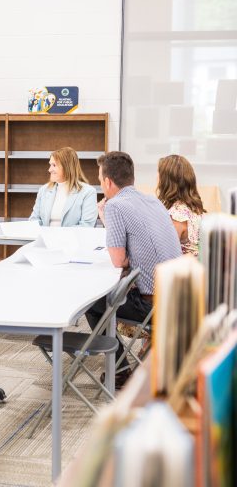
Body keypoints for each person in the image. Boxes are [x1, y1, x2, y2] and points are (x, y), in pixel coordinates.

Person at [88, 152, 181, 388]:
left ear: (108, 182)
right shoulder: (153, 201)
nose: (101, 185)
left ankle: (119, 371)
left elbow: (118, 260)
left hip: (153, 305)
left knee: (91, 302)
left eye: (100, 180)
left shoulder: (115, 206)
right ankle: (122, 368)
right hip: (178, 297)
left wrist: (127, 257)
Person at [29, 147, 97, 227]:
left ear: (67, 167)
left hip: (72, 239)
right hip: (45, 238)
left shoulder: (88, 192)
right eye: (50, 165)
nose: (49, 170)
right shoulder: (44, 190)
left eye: (54, 165)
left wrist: (58, 236)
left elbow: (87, 225)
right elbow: (34, 220)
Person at [156, 154, 205, 257]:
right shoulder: (195, 209)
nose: (157, 178)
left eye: (159, 174)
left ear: (166, 181)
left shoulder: (177, 216)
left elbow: (164, 255)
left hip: (183, 271)